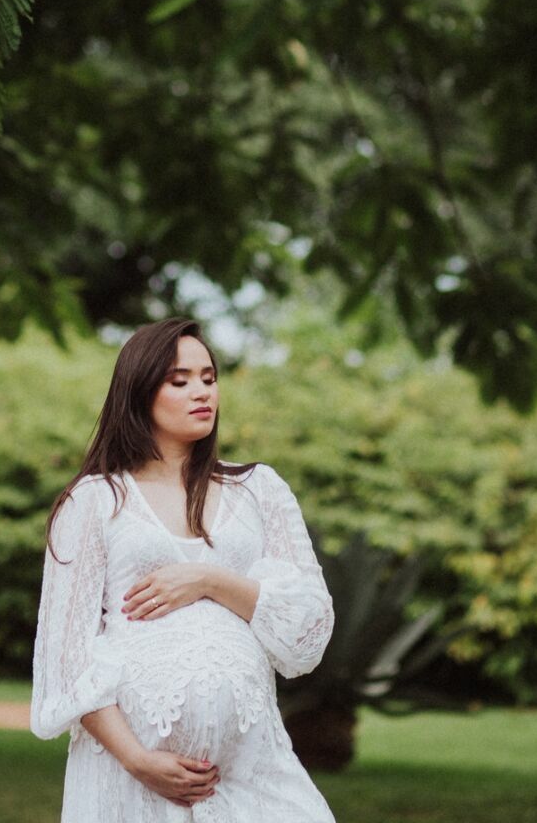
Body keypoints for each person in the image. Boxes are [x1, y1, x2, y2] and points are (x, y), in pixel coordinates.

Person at [30, 317, 338, 821]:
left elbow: (309, 628)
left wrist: (210, 581)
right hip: (131, 777)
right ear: (139, 392)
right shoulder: (93, 502)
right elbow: (67, 661)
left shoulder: (260, 491)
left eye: (209, 378)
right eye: (180, 381)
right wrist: (138, 760)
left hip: (253, 771)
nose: (202, 392)